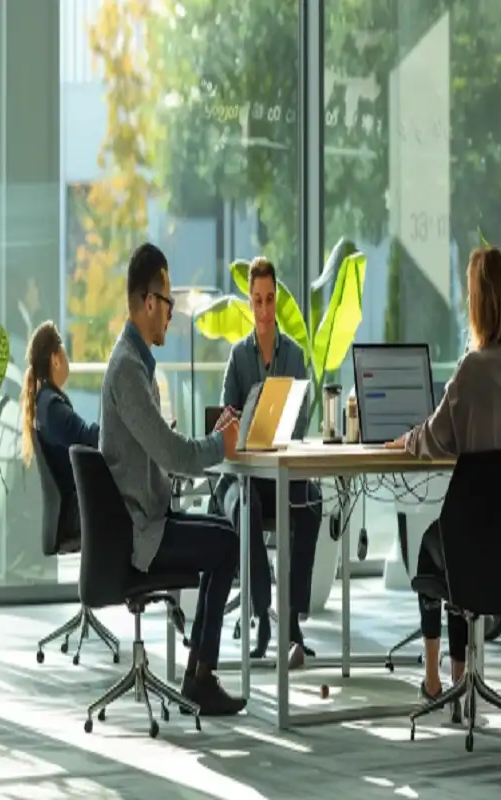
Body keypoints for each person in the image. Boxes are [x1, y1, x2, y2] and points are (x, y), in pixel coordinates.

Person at [388, 246, 501, 718]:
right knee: (453, 543)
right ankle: (459, 682)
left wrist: (401, 442)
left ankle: (437, 680)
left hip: (468, 542)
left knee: (434, 546)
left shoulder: (471, 370)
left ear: (476, 302)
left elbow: (434, 438)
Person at [100, 241, 247, 717]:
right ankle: (200, 677)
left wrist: (198, 445)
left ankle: (198, 674)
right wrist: (219, 445)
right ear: (147, 302)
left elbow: (159, 451)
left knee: (223, 535)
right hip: (140, 533)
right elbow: (172, 454)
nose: (170, 314)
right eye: (167, 303)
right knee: (227, 545)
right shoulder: (127, 370)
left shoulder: (136, 366)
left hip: (148, 517)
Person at [215, 257, 322, 665]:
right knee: (248, 508)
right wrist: (238, 423)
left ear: (276, 300)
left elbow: (301, 416)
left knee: (312, 505)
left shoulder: (293, 355)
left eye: (270, 299)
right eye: (257, 301)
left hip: (281, 470)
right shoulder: (237, 356)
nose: (263, 309)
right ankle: (261, 613)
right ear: (250, 303)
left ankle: (292, 619)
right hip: (243, 477)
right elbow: (225, 418)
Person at [20, 321, 101, 513]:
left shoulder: (44, 402)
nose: (68, 359)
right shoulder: (52, 407)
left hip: (69, 511)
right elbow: (88, 438)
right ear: (55, 359)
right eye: (65, 353)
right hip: (76, 514)